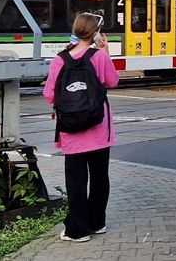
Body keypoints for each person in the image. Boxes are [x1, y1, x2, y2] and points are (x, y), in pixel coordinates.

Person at [43, 13, 119, 242]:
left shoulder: (60, 59)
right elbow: (112, 81)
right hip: (98, 127)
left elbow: (49, 94)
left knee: (75, 181)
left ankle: (78, 230)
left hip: (71, 129)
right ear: (95, 34)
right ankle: (97, 223)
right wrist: (105, 51)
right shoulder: (98, 57)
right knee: (99, 177)